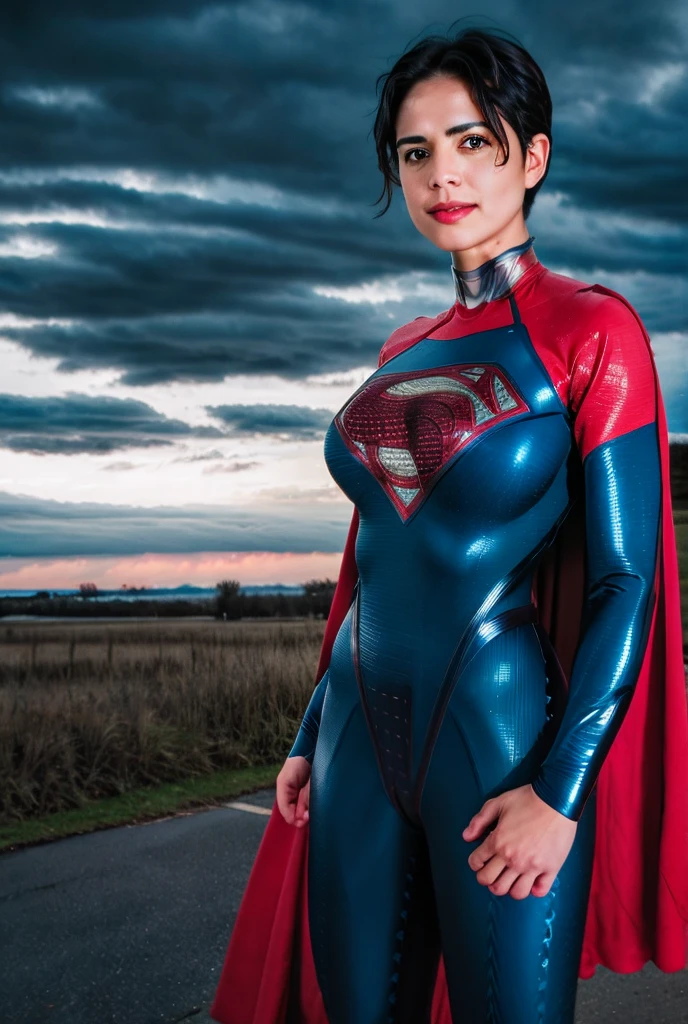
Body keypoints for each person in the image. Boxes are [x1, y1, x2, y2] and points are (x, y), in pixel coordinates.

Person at [211, 26, 688, 1024]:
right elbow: (375, 559)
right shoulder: (400, 347)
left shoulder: (595, 333)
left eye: (472, 140)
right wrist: (308, 732)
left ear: (535, 155)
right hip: (349, 731)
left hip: (500, 737)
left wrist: (561, 791)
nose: (441, 175)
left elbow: (625, 580)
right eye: (414, 151)